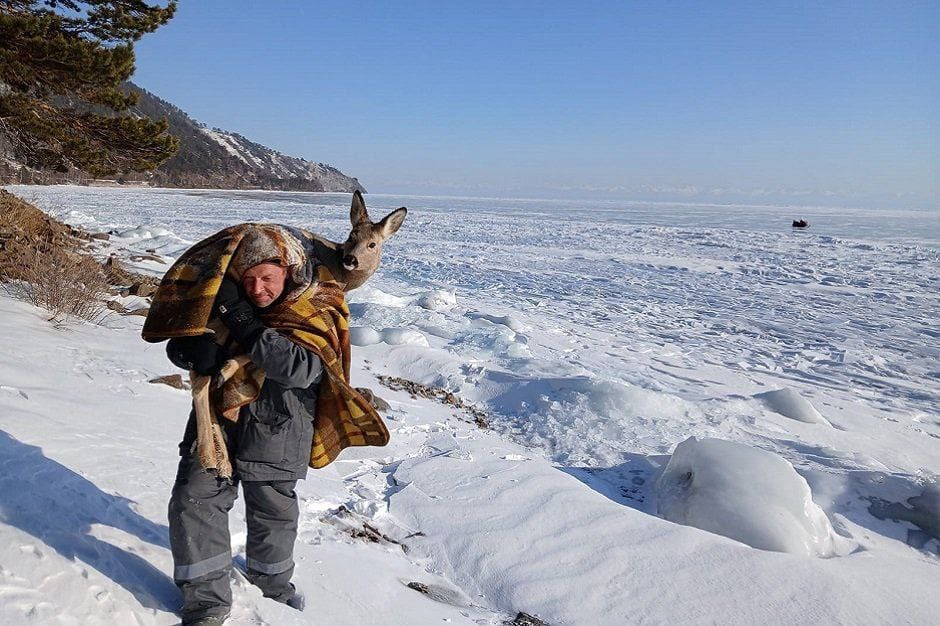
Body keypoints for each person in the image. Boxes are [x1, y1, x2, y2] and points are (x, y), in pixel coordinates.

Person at [166, 259, 322, 626]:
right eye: (248, 279)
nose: (257, 289)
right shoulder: (219, 301)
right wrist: (187, 352)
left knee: (272, 513)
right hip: (216, 422)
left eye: (267, 278)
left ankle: (272, 590)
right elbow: (178, 338)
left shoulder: (312, 309)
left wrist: (244, 323)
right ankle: (206, 602)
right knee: (193, 498)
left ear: (288, 272)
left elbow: (302, 369)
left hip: (279, 426)